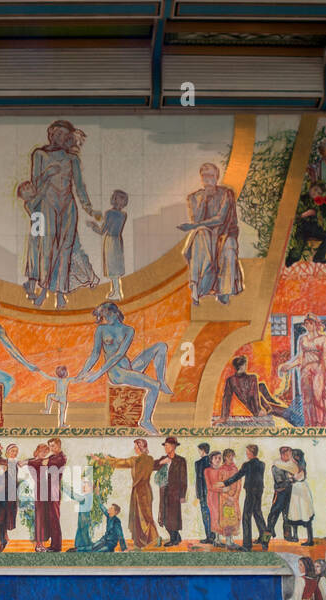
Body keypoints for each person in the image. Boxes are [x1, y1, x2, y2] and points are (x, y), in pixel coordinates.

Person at [21, 120, 100, 309]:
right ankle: (44, 291)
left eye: (65, 136)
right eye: (58, 134)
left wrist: (89, 208)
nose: (61, 138)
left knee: (65, 250)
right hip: (47, 204)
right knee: (47, 249)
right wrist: (47, 174)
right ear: (50, 133)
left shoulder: (72, 159)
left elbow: (79, 186)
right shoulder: (40, 155)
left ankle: (61, 293)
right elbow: (34, 186)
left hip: (68, 206)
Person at [74, 301, 173, 434]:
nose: (106, 318)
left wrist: (97, 373)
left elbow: (120, 354)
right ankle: (146, 421)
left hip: (129, 367)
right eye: (103, 315)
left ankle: (162, 381)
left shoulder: (129, 330)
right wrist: (82, 373)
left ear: (116, 313)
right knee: (153, 385)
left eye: (108, 314)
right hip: (117, 373)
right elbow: (95, 354)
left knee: (161, 346)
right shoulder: (101, 330)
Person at [179, 162, 243, 304]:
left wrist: (194, 225)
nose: (208, 179)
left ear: (217, 177)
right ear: (201, 178)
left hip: (224, 233)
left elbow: (220, 219)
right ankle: (196, 285)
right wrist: (204, 201)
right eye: (204, 176)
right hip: (206, 234)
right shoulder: (193, 197)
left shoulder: (226, 194)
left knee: (229, 247)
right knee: (200, 234)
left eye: (211, 176)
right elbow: (197, 219)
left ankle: (224, 291)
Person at [100, 437, 160, 548]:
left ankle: (149, 541)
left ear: (140, 448)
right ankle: (149, 540)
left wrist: (104, 460)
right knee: (147, 516)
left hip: (138, 492)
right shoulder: (150, 459)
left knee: (140, 516)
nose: (135, 449)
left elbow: (120, 462)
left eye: (136, 447)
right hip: (147, 491)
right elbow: (157, 465)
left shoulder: (135, 460)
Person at [221, 444, 267, 550]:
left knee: (246, 517)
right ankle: (265, 541)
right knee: (258, 515)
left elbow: (238, 476)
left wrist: (225, 483)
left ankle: (247, 545)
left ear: (251, 453)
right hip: (259, 492)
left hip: (250, 492)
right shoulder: (262, 464)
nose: (246, 454)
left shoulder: (247, 465)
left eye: (247, 452)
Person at [89, 189, 128, 299]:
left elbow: (102, 231)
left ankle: (117, 292)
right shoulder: (123, 215)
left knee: (112, 267)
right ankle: (116, 290)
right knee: (116, 266)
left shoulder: (109, 213)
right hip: (118, 241)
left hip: (110, 241)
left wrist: (93, 226)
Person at [155, 436, 188, 547]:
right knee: (164, 515)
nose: (166, 448)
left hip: (175, 492)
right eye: (165, 446)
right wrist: (162, 462)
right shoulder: (163, 458)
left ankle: (174, 539)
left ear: (173, 446)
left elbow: (184, 479)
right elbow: (152, 466)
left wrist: (182, 495)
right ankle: (176, 537)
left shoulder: (181, 460)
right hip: (164, 491)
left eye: (168, 446)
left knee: (173, 516)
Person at [266, 446, 296, 542]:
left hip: (289, 494)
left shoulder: (291, 465)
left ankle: (288, 536)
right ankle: (265, 539)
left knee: (287, 516)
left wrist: (292, 480)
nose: (290, 456)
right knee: (273, 516)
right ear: (282, 454)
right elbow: (280, 482)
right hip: (280, 494)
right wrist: (292, 479)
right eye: (288, 454)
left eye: (290, 454)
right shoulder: (277, 466)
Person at [194, 443, 215, 543]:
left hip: (203, 493)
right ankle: (212, 536)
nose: (199, 452)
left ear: (202, 450)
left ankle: (209, 537)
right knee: (212, 514)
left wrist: (198, 494)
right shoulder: (212, 461)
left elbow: (199, 480)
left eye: (199, 450)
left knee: (205, 514)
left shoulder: (198, 463)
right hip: (212, 492)